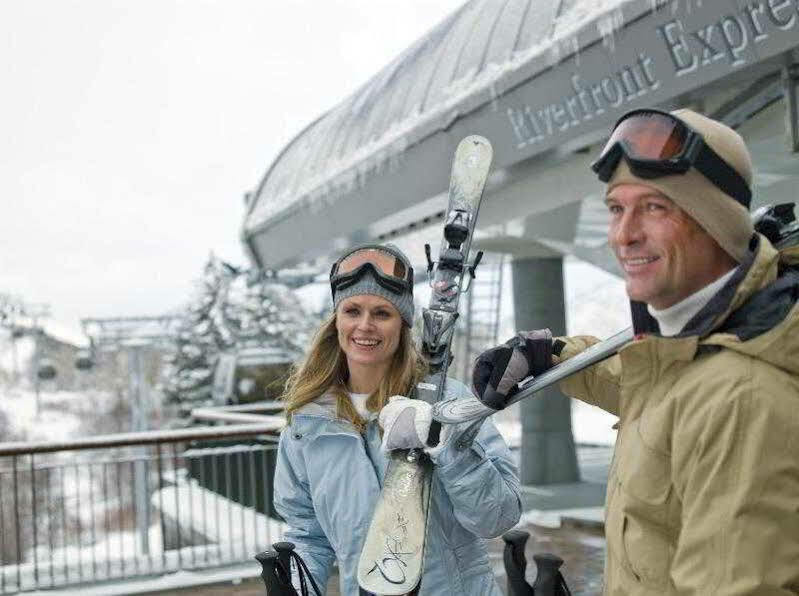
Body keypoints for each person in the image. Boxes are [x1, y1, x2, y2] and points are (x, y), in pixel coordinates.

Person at [472, 108, 799, 594]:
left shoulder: (741, 398)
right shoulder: (684, 349)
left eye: (655, 208)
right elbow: (638, 379)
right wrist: (549, 355)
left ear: (717, 225)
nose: (624, 235)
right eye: (616, 208)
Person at [273, 243, 521, 595]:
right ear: (336, 320)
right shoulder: (308, 423)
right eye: (352, 310)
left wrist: (445, 442)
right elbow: (307, 534)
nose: (365, 326)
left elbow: (498, 516)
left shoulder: (448, 400)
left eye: (382, 313)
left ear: (402, 324)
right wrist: (295, 587)